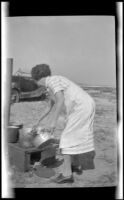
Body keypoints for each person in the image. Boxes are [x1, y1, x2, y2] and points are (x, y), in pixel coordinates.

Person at [31, 64, 96, 184]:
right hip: (85, 105)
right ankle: (74, 165)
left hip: (81, 107)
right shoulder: (51, 85)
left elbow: (60, 100)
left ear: (38, 78)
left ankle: (66, 175)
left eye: (35, 81)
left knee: (66, 139)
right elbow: (50, 105)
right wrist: (38, 121)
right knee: (74, 138)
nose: (36, 84)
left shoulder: (52, 81)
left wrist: (52, 123)